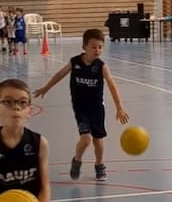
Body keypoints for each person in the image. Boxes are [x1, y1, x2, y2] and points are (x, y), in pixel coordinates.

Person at [33, 28, 129, 181]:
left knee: (98, 140)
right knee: (85, 139)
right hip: (80, 108)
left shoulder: (101, 66)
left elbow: (112, 85)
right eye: (93, 47)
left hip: (97, 108)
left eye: (100, 47)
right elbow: (59, 75)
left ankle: (99, 165)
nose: (97, 50)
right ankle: (77, 160)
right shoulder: (75, 62)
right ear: (84, 47)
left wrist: (119, 108)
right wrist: (46, 88)